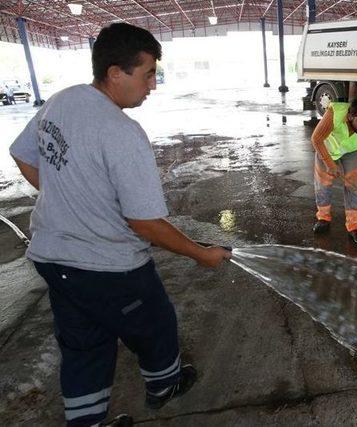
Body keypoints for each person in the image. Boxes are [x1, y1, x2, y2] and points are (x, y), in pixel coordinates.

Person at [9, 23, 231, 427]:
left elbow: (23, 154)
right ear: (116, 73)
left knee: (84, 346)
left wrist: (66, 198)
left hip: (52, 260)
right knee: (156, 324)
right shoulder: (123, 134)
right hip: (108, 268)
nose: (152, 86)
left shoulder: (62, 100)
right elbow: (145, 222)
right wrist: (201, 254)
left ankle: (87, 422)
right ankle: (164, 385)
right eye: (147, 74)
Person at [311, 99, 357, 245]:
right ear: (350, 117)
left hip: (352, 150)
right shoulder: (335, 114)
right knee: (323, 182)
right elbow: (316, 138)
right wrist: (330, 164)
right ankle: (323, 218)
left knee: (354, 184)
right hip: (327, 150)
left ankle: (354, 226)